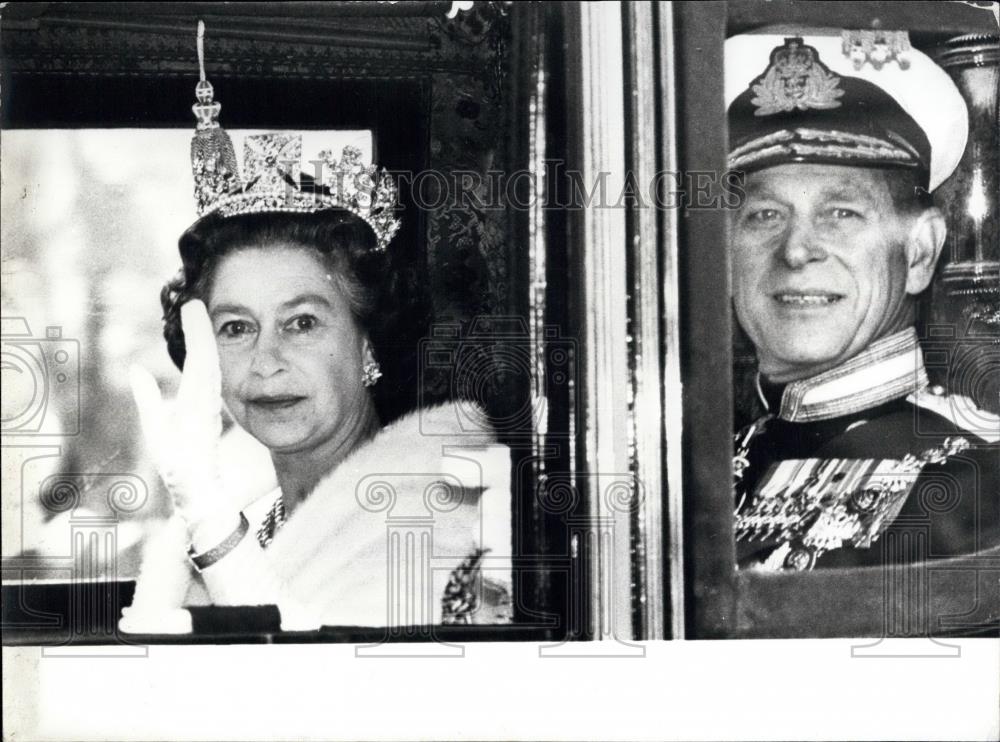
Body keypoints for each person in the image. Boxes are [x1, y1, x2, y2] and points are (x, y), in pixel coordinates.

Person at [120, 39, 512, 632]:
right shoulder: (252, 518)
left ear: (368, 344)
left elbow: (330, 693)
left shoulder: (444, 499)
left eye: (302, 322)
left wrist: (207, 514)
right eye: (235, 328)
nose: (266, 362)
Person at [725, 30, 1000, 571]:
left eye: (841, 214)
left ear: (920, 253)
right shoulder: (713, 461)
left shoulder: (974, 480)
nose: (797, 251)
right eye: (765, 215)